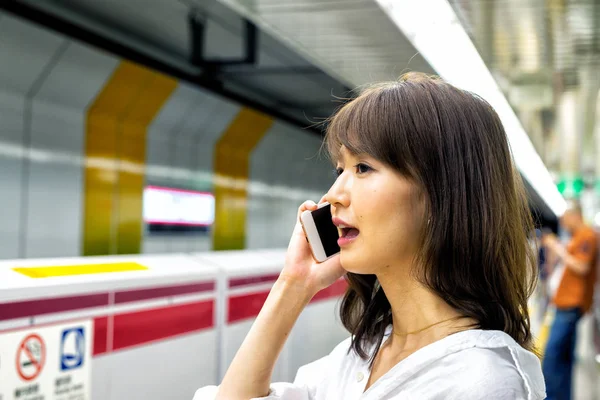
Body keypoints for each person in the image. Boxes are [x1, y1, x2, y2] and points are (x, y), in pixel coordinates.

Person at [195, 73, 546, 399]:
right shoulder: (360, 355)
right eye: (340, 169)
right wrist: (294, 284)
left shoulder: (480, 382)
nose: (333, 194)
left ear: (442, 194)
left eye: (363, 167)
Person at [541, 204, 597, 400]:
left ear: (575, 216)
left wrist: (558, 248)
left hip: (570, 305)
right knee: (564, 358)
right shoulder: (578, 238)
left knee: (552, 356)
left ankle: (551, 397)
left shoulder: (587, 236)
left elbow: (581, 266)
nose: (563, 224)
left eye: (565, 219)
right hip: (566, 304)